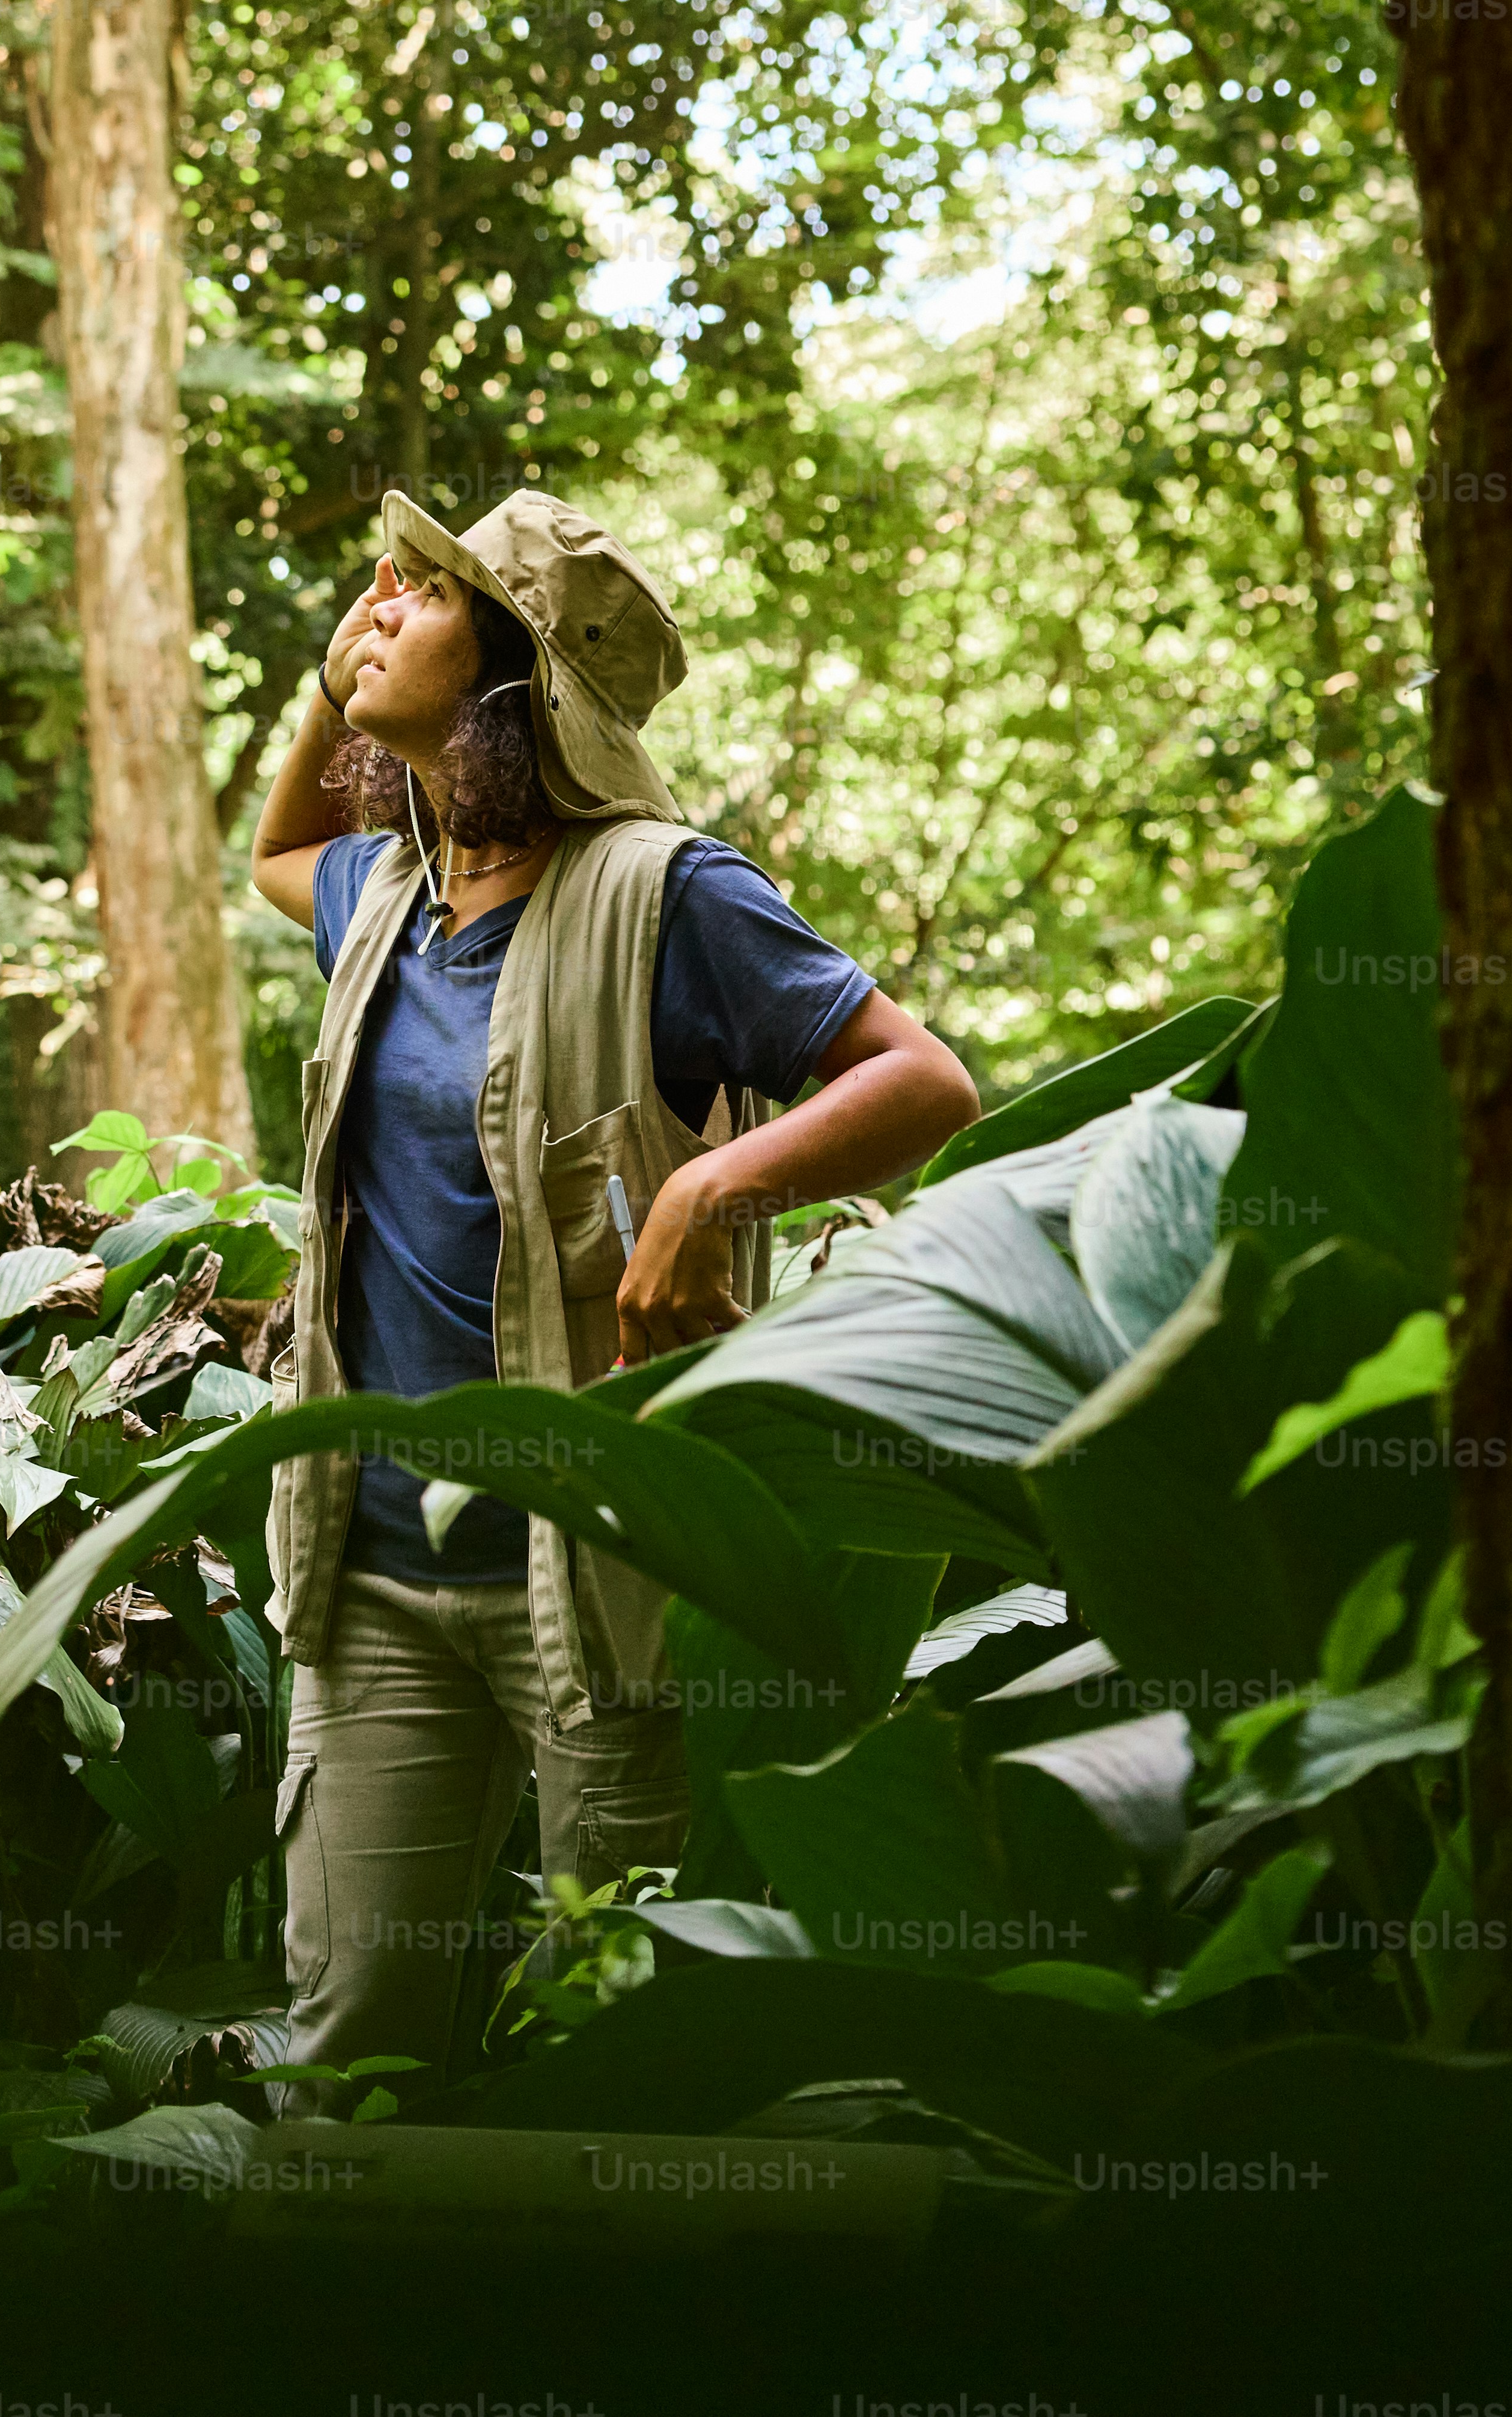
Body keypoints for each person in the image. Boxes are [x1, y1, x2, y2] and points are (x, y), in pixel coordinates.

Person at [249, 485, 978, 2099]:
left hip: (603, 1592)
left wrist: (720, 1183)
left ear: (514, 670)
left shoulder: (668, 895)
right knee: (350, 2062)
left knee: (625, 2063)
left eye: (421, 592)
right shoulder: (384, 900)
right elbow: (281, 851)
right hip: (374, 1582)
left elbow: (925, 1081)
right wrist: (334, 680)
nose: (376, 601)